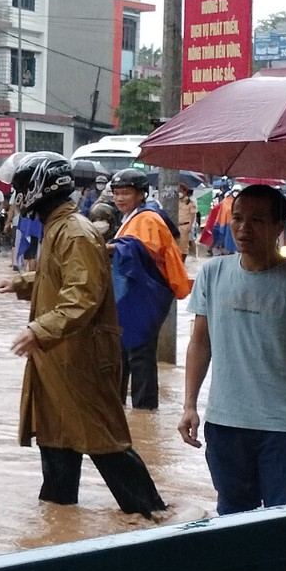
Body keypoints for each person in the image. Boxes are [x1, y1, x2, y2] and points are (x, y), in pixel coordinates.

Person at [1, 154, 168, 514]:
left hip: (81, 360)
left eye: (21, 190)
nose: (17, 198)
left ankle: (152, 517)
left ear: (41, 190)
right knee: (57, 440)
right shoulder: (59, 229)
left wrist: (38, 329)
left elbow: (82, 295)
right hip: (58, 358)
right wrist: (21, 283)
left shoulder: (74, 231)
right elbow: (59, 278)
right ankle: (59, 524)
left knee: (104, 441)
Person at [177, 184, 286, 513]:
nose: (244, 228)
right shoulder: (213, 273)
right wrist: (189, 405)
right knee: (231, 519)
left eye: (257, 220)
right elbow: (200, 343)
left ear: (278, 227)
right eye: (238, 218)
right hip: (226, 424)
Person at [108, 168, 192, 409]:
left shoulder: (147, 217)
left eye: (126, 193)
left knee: (140, 354)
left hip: (144, 295)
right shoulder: (136, 217)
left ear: (141, 194)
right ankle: (121, 408)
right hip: (136, 294)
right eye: (117, 193)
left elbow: (140, 247)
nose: (120, 198)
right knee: (124, 352)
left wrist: (107, 248)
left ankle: (144, 410)